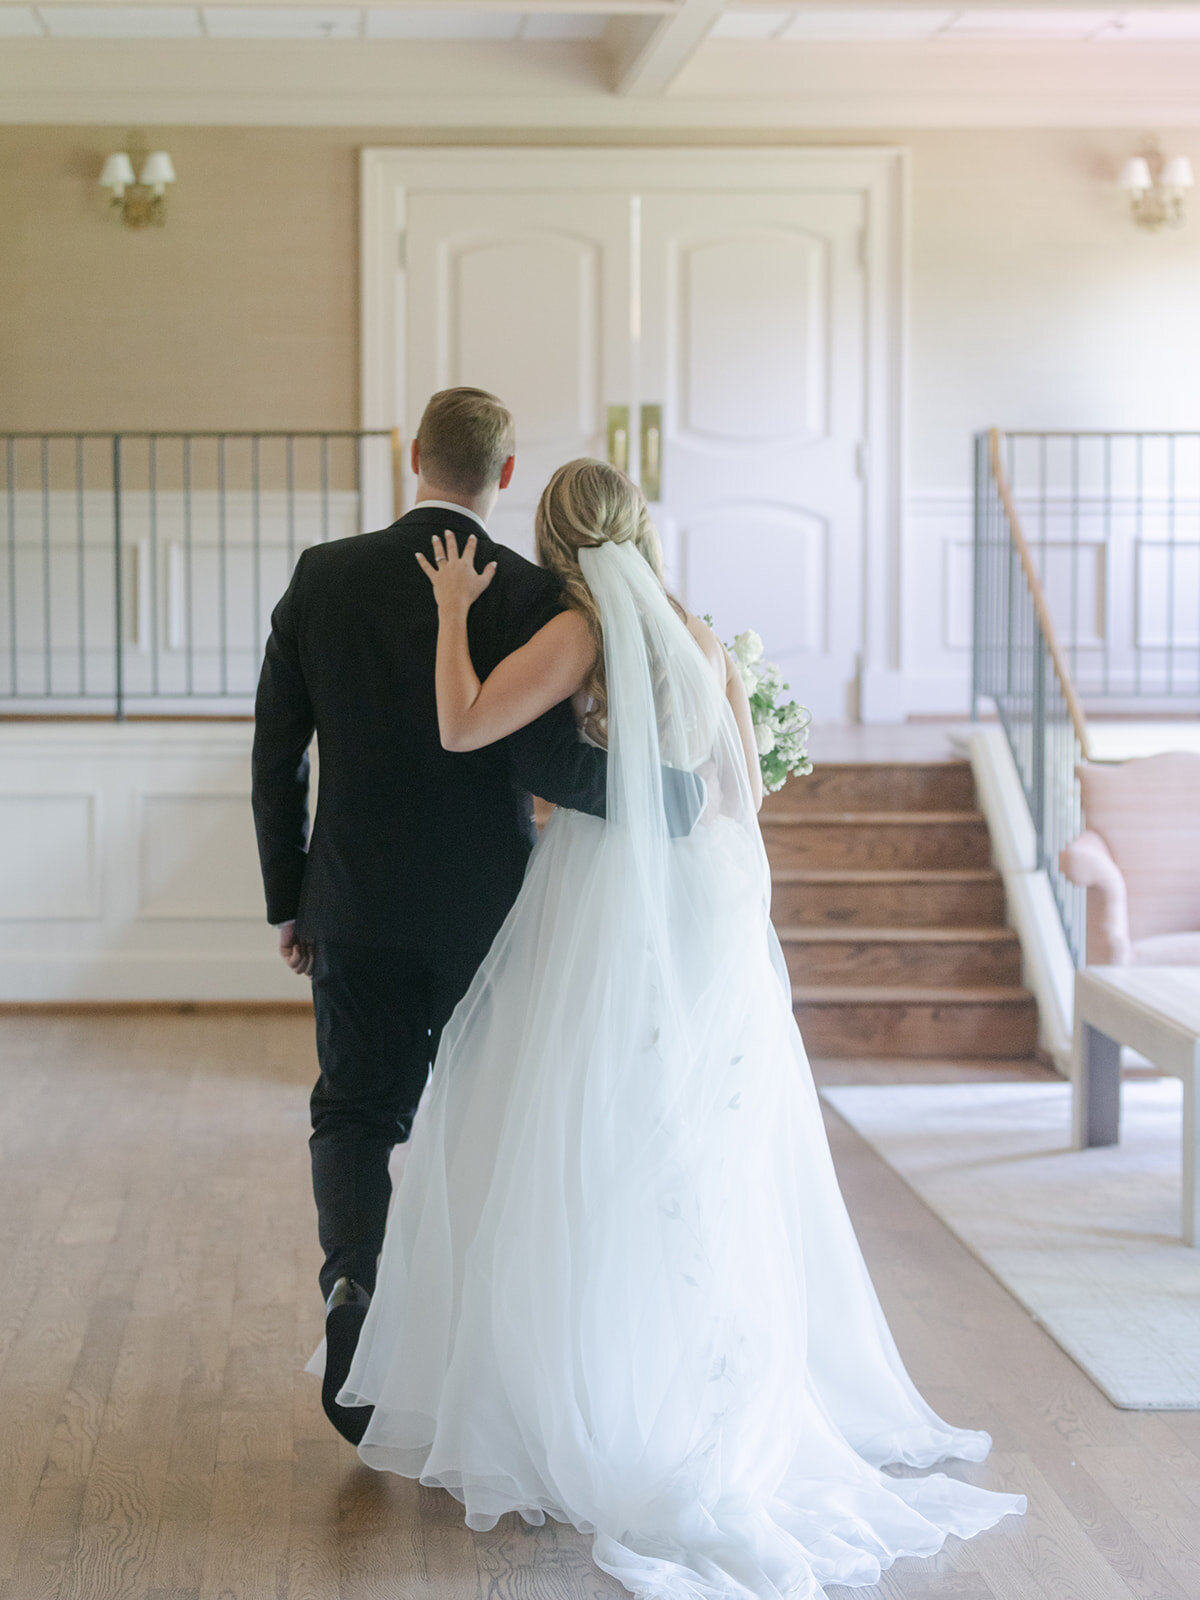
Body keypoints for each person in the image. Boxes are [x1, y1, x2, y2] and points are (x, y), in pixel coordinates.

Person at [337, 458, 1025, 1600]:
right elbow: (744, 794)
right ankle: (695, 1380)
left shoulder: (578, 628)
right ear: (640, 529)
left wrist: (457, 613)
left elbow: (463, 726)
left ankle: (593, 1394)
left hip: (612, 894)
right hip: (709, 900)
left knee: (580, 1125)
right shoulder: (698, 635)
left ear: (557, 540)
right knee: (695, 1138)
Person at [251, 389, 609, 1444]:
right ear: (505, 476)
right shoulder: (535, 593)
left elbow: (279, 757)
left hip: (352, 900)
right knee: (488, 1118)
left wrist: (289, 897)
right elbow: (543, 756)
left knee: (355, 1113)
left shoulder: (324, 576)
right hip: (488, 911)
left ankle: (355, 1278)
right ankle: (482, 1341)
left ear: (413, 457)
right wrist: (669, 803)